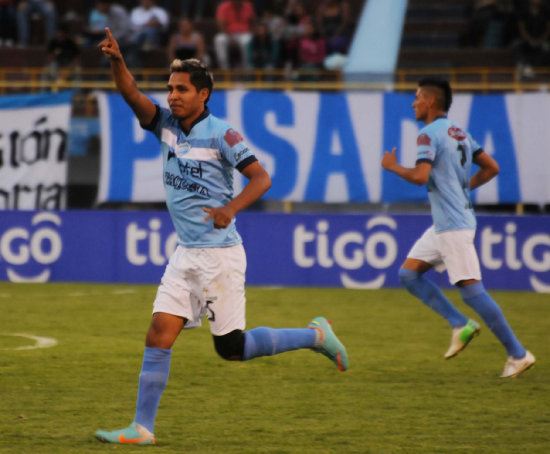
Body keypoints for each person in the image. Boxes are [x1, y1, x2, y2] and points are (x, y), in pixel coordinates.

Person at [94, 27, 348, 445]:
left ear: (203, 94)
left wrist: (230, 208)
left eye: (181, 89)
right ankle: (142, 428)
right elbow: (132, 95)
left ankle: (315, 335)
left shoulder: (224, 134)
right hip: (185, 254)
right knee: (159, 333)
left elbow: (261, 178)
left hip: (220, 258)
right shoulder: (166, 125)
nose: (172, 96)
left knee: (230, 349)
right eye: (170, 88)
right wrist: (117, 62)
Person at [380, 78, 535, 379]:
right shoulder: (460, 133)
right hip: (446, 224)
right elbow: (492, 168)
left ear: (428, 101)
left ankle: (518, 354)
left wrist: (392, 166)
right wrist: (465, 189)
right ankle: (458, 323)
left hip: (453, 227)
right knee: (408, 274)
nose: (413, 103)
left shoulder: (427, 135)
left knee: (473, 291)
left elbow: (420, 176)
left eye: (416, 98)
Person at [214, 0, 256, 69]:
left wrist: (252, 33)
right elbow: (221, 25)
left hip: (244, 34)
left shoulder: (248, 5)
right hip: (228, 34)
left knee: (247, 41)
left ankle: (247, 71)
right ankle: (225, 71)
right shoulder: (223, 6)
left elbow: (253, 22)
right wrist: (229, 37)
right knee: (219, 39)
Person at [514, 0, 550, 78]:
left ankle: (537, 70)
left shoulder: (546, 10)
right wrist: (530, 40)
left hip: (542, 40)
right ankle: (526, 66)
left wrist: (541, 40)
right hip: (527, 40)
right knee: (516, 46)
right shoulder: (524, 10)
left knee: (547, 49)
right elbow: (521, 28)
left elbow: (548, 29)